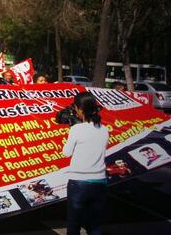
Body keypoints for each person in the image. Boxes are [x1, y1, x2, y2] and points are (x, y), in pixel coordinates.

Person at [62, 91, 109, 235]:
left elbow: (66, 152)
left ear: (80, 109)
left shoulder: (76, 129)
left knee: (74, 223)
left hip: (79, 182)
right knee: (95, 225)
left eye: (75, 108)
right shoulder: (104, 129)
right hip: (100, 181)